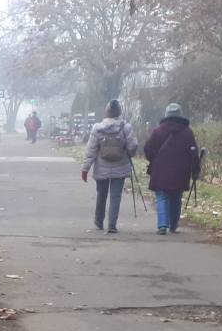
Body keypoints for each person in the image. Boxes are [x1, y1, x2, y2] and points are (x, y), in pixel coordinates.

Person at [82, 99, 138, 233]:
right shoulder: (126, 127)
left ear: (107, 112)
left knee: (101, 194)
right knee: (115, 196)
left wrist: (85, 168)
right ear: (119, 112)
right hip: (120, 166)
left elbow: (91, 150)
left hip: (102, 168)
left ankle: (99, 221)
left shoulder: (97, 128)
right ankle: (112, 225)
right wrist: (129, 152)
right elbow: (133, 146)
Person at [144, 102, 201, 235]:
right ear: (180, 115)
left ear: (166, 115)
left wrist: (155, 159)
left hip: (161, 171)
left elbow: (148, 149)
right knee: (176, 197)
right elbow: (193, 153)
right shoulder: (187, 132)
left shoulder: (158, 131)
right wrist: (195, 170)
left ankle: (162, 225)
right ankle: (173, 225)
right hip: (181, 172)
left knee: (162, 196)